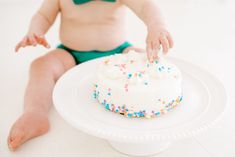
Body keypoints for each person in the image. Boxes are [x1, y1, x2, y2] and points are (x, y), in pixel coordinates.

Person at [8, 0, 173, 151]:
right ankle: (35, 112)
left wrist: (156, 25)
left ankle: (156, 101)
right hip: (71, 55)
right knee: (41, 66)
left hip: (117, 56)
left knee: (148, 60)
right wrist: (35, 31)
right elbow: (43, 15)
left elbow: (146, 6)